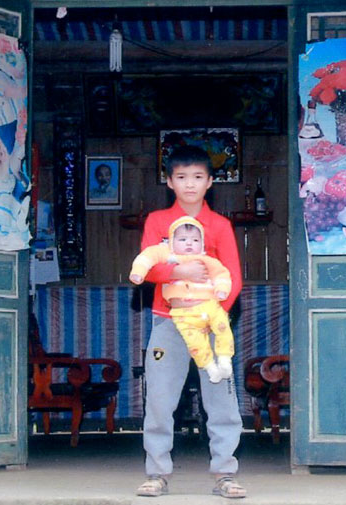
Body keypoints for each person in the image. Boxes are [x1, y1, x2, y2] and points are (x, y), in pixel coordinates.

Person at [136, 145, 246, 499]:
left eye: (198, 177)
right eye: (181, 177)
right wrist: (178, 272)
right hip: (167, 321)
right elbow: (146, 267)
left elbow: (233, 277)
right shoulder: (157, 221)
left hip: (210, 323)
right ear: (169, 181)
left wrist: (215, 313)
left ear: (210, 182)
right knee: (160, 397)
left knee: (220, 397)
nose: (189, 184)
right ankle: (157, 473)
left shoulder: (220, 225)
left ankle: (225, 473)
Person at [129, 216, 235, 383]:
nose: (189, 243)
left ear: (202, 244)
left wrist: (222, 290)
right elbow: (147, 257)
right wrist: (138, 272)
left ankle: (224, 359)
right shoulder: (168, 256)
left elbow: (222, 275)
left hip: (209, 307)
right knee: (196, 344)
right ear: (171, 242)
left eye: (195, 240)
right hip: (183, 314)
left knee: (223, 328)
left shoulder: (207, 260)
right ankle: (210, 368)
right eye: (183, 239)